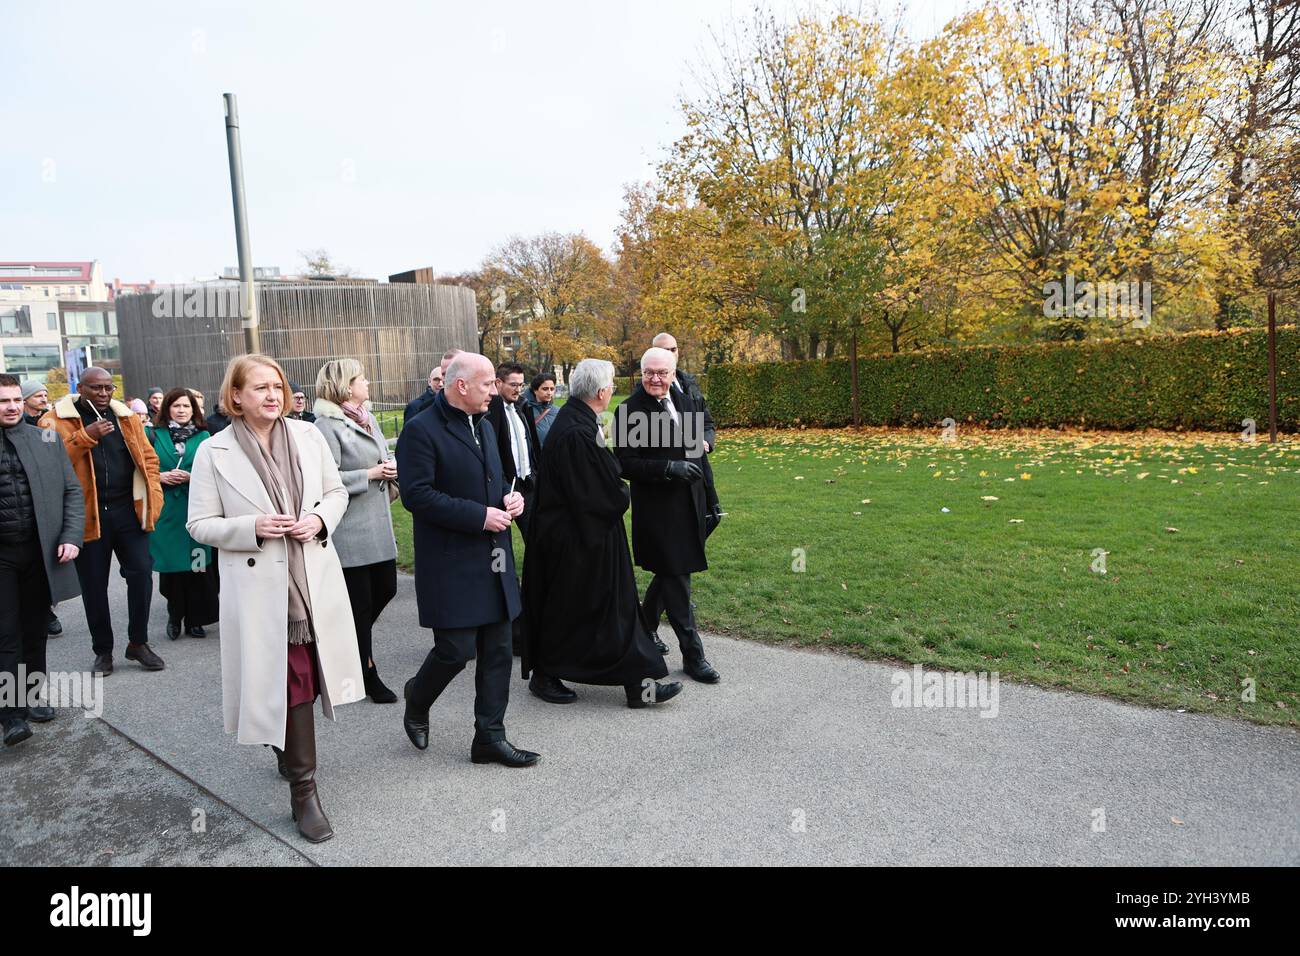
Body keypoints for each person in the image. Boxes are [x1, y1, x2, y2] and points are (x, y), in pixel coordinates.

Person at [187, 353, 363, 843]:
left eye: (277, 386)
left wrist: (320, 520)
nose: (272, 395)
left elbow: (336, 492)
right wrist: (252, 528)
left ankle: (292, 763)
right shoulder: (213, 451)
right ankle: (304, 792)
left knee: (297, 683)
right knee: (290, 685)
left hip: (310, 581)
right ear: (235, 396)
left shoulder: (309, 436)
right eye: (260, 387)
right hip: (261, 591)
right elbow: (198, 524)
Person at [396, 352, 539, 767]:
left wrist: (510, 499)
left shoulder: (485, 424)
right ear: (461, 386)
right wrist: (479, 516)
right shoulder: (421, 430)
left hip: (494, 557)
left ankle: (490, 738)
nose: (495, 391)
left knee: (497, 649)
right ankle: (417, 697)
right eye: (488, 384)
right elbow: (417, 495)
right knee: (455, 650)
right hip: (451, 561)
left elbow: (494, 479)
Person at [522, 359, 682, 708]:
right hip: (579, 539)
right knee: (582, 608)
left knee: (611, 610)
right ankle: (547, 673)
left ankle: (638, 684)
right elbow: (601, 492)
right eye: (610, 384)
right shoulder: (577, 431)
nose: (611, 390)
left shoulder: (577, 420)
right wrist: (622, 492)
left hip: (585, 535)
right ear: (601, 391)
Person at [39, 367, 165, 676]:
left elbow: (149, 459)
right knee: (94, 587)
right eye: (97, 388)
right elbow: (47, 463)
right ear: (80, 388)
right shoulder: (53, 420)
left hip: (128, 511)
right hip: (87, 515)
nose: (104, 393)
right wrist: (85, 437)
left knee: (141, 576)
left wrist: (154, 498)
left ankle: (138, 643)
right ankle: (103, 651)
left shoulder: (127, 417)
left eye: (109, 387)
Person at [614, 347, 721, 684]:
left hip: (692, 504)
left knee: (672, 574)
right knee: (678, 581)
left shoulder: (684, 401)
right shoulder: (629, 411)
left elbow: (699, 458)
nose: (656, 379)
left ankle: (642, 630)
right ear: (640, 373)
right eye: (649, 373)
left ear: (674, 372)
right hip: (660, 514)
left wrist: (712, 502)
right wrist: (668, 469)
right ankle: (694, 655)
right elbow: (625, 464)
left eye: (662, 373)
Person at [0, 374, 83, 746]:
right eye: (4, 401)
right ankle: (11, 715)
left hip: (38, 552)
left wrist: (70, 536)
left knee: (35, 629)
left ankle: (32, 698)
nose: (13, 406)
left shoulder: (46, 438)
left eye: (16, 399)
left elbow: (71, 490)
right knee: (6, 634)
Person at [313, 359, 399, 704]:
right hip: (349, 529)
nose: (367, 382)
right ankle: (366, 670)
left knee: (386, 590)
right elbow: (325, 480)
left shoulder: (368, 417)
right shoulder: (325, 425)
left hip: (378, 524)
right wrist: (370, 475)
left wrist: (390, 466)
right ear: (346, 386)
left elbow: (381, 454)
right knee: (360, 605)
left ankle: (343, 646)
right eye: (362, 378)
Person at [646, 332, 723, 649]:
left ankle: (648, 619)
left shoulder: (688, 385)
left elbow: (707, 422)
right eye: (664, 352)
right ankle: (662, 621)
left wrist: (707, 440)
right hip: (670, 490)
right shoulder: (646, 398)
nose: (671, 355)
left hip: (700, 475)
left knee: (710, 522)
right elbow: (630, 459)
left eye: (674, 350)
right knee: (677, 560)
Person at [148, 388, 218, 640]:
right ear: (167, 408)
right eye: (176, 406)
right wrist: (160, 477)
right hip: (167, 512)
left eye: (186, 407)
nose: (181, 410)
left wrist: (192, 476)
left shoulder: (204, 437)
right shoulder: (153, 435)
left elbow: (215, 470)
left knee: (198, 567)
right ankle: (174, 615)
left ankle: (196, 619)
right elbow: (140, 470)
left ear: (194, 410)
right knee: (172, 569)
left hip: (196, 508)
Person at [19, 380, 63, 638]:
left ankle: (45, 609)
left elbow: (51, 454)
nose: (44, 397)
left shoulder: (48, 422)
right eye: (38, 395)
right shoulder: (17, 424)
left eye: (45, 393)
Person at [485, 362, 542, 542]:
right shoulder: (488, 412)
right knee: (501, 541)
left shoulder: (522, 408)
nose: (518, 390)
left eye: (521, 385)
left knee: (537, 539)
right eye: (513, 385)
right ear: (498, 383)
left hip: (528, 484)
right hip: (504, 487)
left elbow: (532, 445)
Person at [403, 349, 458, 428]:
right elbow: (409, 434)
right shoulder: (415, 406)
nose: (440, 384)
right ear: (429, 381)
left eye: (443, 379)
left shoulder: (454, 403)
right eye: (436, 380)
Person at [524, 373, 558, 446]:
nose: (549, 393)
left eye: (552, 389)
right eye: (545, 389)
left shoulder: (558, 411)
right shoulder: (524, 410)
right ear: (535, 390)